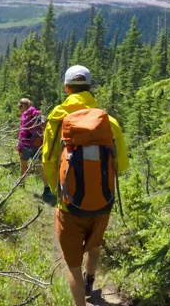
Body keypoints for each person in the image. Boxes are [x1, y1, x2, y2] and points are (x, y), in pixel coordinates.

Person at [42, 65, 129, 306]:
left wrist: (57, 190)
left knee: (72, 264)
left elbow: (48, 160)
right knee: (95, 244)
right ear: (90, 89)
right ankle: (90, 281)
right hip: (103, 200)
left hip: (69, 204)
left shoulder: (57, 119)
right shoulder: (108, 121)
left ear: (66, 88)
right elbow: (121, 165)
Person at [17, 98, 54, 201]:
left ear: (23, 106)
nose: (20, 110)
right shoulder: (38, 114)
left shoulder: (25, 115)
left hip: (26, 145)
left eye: (20, 107)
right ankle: (47, 189)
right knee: (40, 167)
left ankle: (21, 185)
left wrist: (20, 147)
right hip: (37, 145)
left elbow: (23, 132)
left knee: (23, 166)